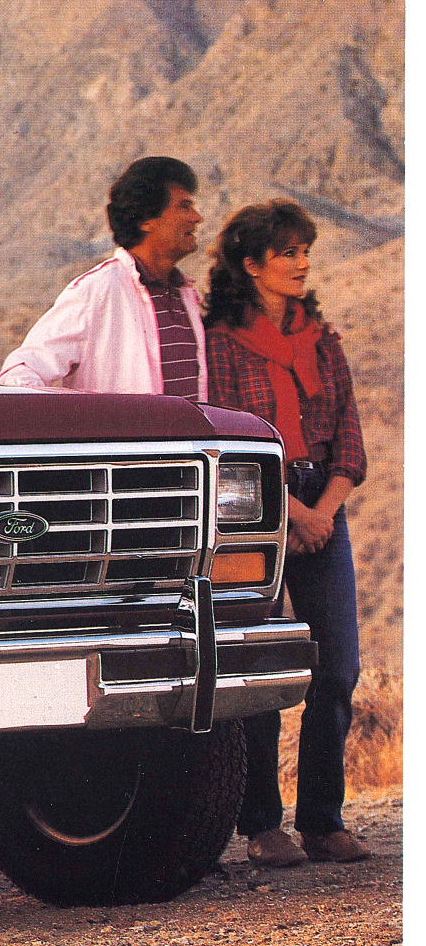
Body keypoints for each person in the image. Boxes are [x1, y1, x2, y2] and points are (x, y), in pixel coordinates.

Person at [203, 200, 368, 867]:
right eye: (288, 253)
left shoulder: (321, 338)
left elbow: (349, 436)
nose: (303, 264)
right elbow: (219, 437)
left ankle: (324, 820)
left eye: (306, 251)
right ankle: (261, 825)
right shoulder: (219, 342)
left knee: (340, 665)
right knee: (262, 667)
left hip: (323, 510)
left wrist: (323, 508)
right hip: (254, 516)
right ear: (250, 264)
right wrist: (290, 514)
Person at [0, 155, 206, 397]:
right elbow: (20, 373)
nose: (196, 217)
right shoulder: (98, 290)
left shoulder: (184, 295)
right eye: (184, 206)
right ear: (147, 220)